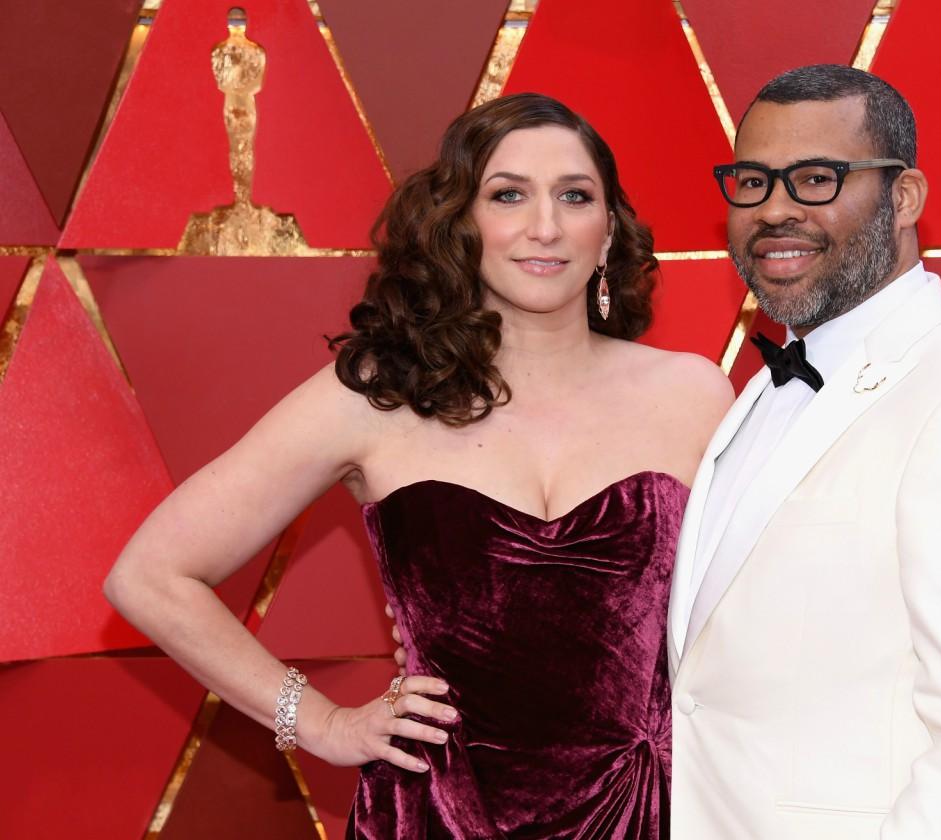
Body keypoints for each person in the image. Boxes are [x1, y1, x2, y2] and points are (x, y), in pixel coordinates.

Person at [105, 92, 733, 838]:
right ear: (460, 227)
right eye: (507, 195)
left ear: (607, 236)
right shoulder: (378, 394)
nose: (545, 226)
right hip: (440, 814)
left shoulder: (693, 393)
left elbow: (756, 615)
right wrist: (321, 722)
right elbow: (147, 576)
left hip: (649, 812)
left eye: (575, 196)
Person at [663, 65, 941, 838]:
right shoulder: (759, 391)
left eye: (816, 179)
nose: (776, 209)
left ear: (905, 197)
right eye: (752, 181)